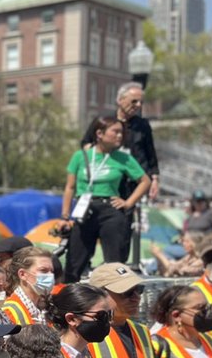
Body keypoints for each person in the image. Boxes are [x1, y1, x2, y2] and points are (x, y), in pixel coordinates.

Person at [61, 116, 151, 283]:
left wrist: (128, 202)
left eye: (121, 132)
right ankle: (68, 302)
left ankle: (116, 303)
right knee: (74, 262)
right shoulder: (80, 156)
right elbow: (70, 187)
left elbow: (145, 181)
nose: (120, 135)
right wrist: (65, 217)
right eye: (115, 132)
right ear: (99, 133)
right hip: (84, 210)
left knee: (115, 264)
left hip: (110, 210)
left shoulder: (123, 158)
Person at [2, 247, 57, 326]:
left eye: (51, 271)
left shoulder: (48, 308)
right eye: (43, 270)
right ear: (23, 274)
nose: (50, 275)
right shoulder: (8, 312)